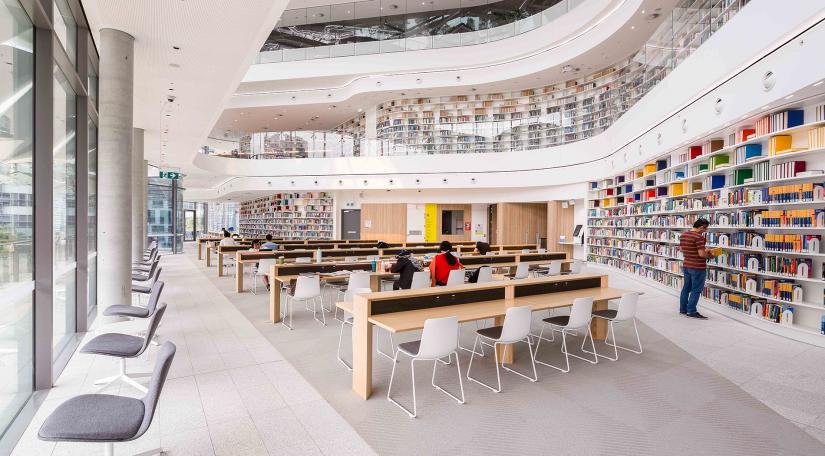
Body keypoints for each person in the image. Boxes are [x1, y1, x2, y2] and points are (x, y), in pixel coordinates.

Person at [679, 218, 717, 319]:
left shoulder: (684, 235)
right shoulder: (698, 237)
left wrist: (704, 250)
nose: (705, 231)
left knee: (686, 288)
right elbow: (701, 254)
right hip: (697, 267)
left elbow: (682, 249)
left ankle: (683, 309)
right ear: (701, 227)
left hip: (687, 265)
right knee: (696, 290)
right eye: (705, 229)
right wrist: (710, 255)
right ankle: (691, 311)